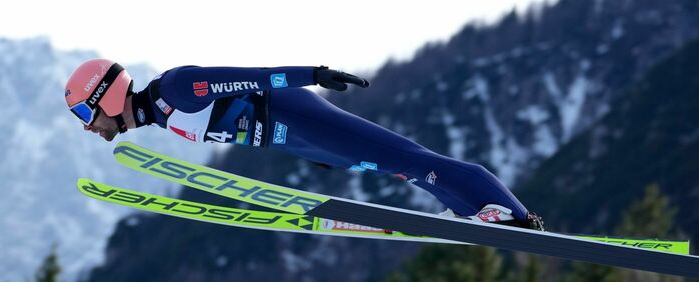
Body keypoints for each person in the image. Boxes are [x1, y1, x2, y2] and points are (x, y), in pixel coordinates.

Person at [65, 59, 544, 230]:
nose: (89, 126)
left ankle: (510, 213)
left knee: (407, 159)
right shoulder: (162, 115)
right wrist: (313, 154)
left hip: (296, 114)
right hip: (297, 138)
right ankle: (478, 215)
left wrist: (313, 74)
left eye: (86, 113)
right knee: (400, 167)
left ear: (106, 96)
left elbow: (252, 79)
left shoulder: (175, 89)